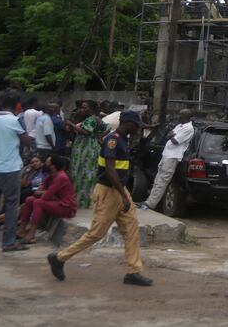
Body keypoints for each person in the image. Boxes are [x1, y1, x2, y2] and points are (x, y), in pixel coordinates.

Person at [48, 110, 152, 286]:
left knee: (132, 229)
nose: (138, 129)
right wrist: (123, 195)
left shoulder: (123, 139)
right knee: (97, 233)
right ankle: (59, 257)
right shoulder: (113, 140)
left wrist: (124, 194)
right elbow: (110, 171)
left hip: (120, 190)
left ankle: (133, 271)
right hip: (108, 191)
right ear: (128, 123)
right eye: (137, 126)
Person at [0, 93, 33, 252]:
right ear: (16, 106)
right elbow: (27, 141)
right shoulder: (15, 120)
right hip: (9, 168)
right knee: (12, 204)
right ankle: (9, 242)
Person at [138, 109, 194, 211]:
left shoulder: (189, 128)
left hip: (173, 156)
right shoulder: (179, 125)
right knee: (157, 180)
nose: (178, 117)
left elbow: (175, 140)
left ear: (186, 117)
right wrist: (171, 135)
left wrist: (172, 135)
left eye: (180, 115)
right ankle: (148, 201)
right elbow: (169, 135)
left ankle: (151, 204)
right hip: (166, 154)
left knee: (162, 181)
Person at [17, 154, 77, 244]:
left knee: (38, 202)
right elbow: (38, 191)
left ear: (53, 166)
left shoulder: (61, 177)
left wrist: (43, 192)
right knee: (29, 199)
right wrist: (44, 192)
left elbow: (45, 196)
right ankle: (21, 231)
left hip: (66, 206)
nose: (45, 164)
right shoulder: (50, 176)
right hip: (56, 202)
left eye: (47, 163)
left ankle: (31, 236)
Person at [67, 100, 108, 209]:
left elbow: (86, 132)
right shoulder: (98, 119)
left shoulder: (90, 119)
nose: (81, 110)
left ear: (91, 109)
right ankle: (89, 200)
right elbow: (107, 128)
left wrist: (71, 124)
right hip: (94, 148)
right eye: (81, 108)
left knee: (81, 173)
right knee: (90, 173)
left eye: (84, 108)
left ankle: (81, 201)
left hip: (85, 149)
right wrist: (98, 137)